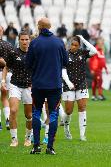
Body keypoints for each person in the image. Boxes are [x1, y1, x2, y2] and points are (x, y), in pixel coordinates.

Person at [26, 17, 68, 155]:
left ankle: (36, 146)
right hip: (55, 85)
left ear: (39, 26)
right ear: (49, 27)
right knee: (54, 114)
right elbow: (66, 62)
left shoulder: (35, 43)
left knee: (36, 113)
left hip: (38, 85)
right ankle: (50, 147)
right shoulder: (59, 42)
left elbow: (28, 64)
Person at [62, 35, 97, 141]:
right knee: (68, 111)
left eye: (76, 45)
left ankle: (82, 135)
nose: (73, 47)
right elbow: (62, 70)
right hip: (69, 85)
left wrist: (84, 40)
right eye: (72, 44)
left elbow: (94, 51)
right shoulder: (65, 54)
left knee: (82, 108)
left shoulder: (83, 52)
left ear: (79, 46)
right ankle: (66, 128)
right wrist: (68, 83)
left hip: (81, 84)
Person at [1, 31, 33, 146]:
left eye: (26, 39)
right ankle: (14, 139)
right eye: (22, 39)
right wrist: (3, 81)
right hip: (15, 85)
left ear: (29, 40)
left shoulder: (34, 53)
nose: (24, 42)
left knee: (29, 115)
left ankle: (28, 138)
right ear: (18, 40)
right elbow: (6, 67)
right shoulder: (13, 52)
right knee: (13, 110)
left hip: (29, 87)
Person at [0, 25, 13, 130]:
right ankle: (8, 119)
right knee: (5, 97)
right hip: (8, 73)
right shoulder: (8, 44)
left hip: (2, 72)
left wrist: (5, 64)